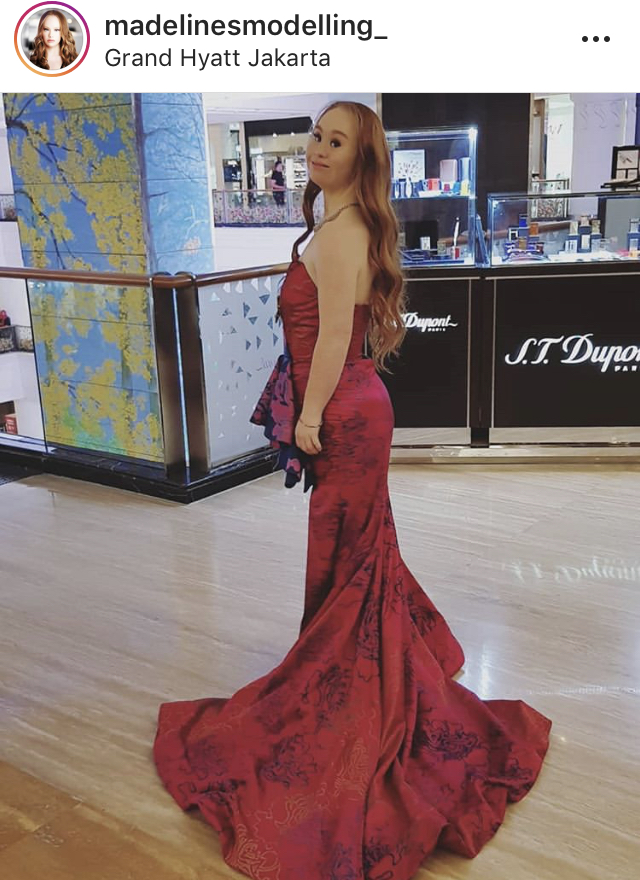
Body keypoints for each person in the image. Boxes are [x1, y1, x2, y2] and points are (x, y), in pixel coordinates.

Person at [153, 101, 552, 880]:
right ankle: (364, 674)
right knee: (358, 557)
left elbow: (335, 332)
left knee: (353, 561)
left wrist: (308, 416)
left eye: (336, 141)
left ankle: (350, 694)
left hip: (342, 409)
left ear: (361, 159)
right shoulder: (336, 225)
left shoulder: (342, 234)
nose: (318, 149)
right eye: (316, 135)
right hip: (351, 403)